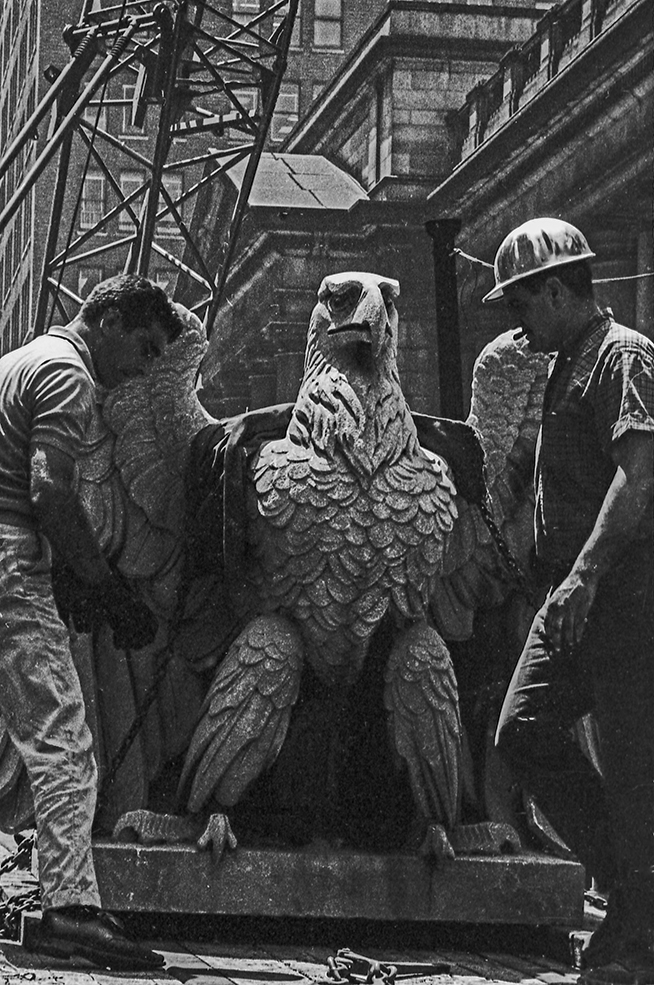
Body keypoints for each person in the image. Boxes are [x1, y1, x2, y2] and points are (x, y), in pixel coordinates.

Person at [486, 218, 654, 985]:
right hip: (573, 590)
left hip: (621, 593)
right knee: (521, 728)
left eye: (522, 303)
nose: (517, 322)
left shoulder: (622, 356)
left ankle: (637, 935)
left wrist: (584, 576)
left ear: (556, 289)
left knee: (631, 765)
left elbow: (640, 475)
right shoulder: (566, 361)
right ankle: (629, 885)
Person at [0, 274, 184, 970]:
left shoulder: (18, 361)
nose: (142, 365)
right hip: (10, 561)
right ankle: (72, 910)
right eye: (143, 346)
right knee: (66, 745)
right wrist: (103, 587)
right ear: (107, 321)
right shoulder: (69, 375)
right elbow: (49, 489)